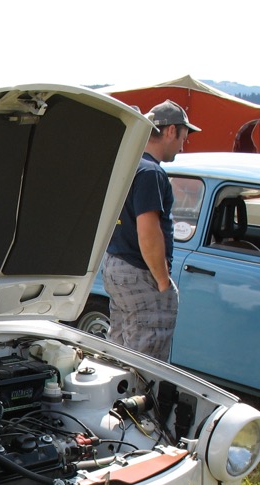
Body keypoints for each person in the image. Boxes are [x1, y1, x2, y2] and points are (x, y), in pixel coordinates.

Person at [102, 100, 200, 361]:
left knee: (119, 348)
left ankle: (116, 399)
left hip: (116, 263)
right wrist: (162, 281)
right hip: (139, 269)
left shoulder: (127, 164)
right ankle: (139, 400)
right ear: (171, 131)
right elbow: (148, 231)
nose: (183, 145)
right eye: (184, 136)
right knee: (145, 358)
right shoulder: (151, 173)